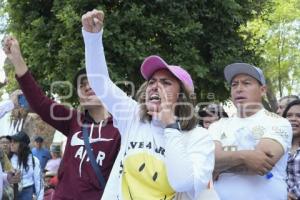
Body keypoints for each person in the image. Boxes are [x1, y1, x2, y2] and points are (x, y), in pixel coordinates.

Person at [82, 9, 214, 199]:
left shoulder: (199, 138)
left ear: (182, 97)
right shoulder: (132, 116)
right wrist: (92, 38)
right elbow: (100, 82)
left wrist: (170, 126)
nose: (155, 86)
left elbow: (182, 182)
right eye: (152, 82)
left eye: (166, 83)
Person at [3, 36, 121, 199]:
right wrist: (17, 59)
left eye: (92, 81)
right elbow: (40, 102)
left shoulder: (122, 128)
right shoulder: (73, 121)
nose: (87, 87)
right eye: (81, 85)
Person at [209, 63, 292, 200]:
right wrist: (245, 156)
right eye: (234, 85)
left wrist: (219, 165)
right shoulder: (217, 126)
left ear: (263, 90)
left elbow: (260, 163)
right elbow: (207, 162)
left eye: (246, 83)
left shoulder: (279, 123)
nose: (239, 89)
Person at [9, 131, 44, 200]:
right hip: (10, 192)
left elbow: (39, 183)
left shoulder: (34, 160)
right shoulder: (7, 159)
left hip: (26, 193)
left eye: (15, 142)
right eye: (11, 141)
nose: (11, 144)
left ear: (22, 144)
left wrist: (39, 198)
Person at [283, 100, 300, 200]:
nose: (293, 119)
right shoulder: (279, 147)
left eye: (299, 116)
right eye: (289, 115)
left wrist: (292, 195)